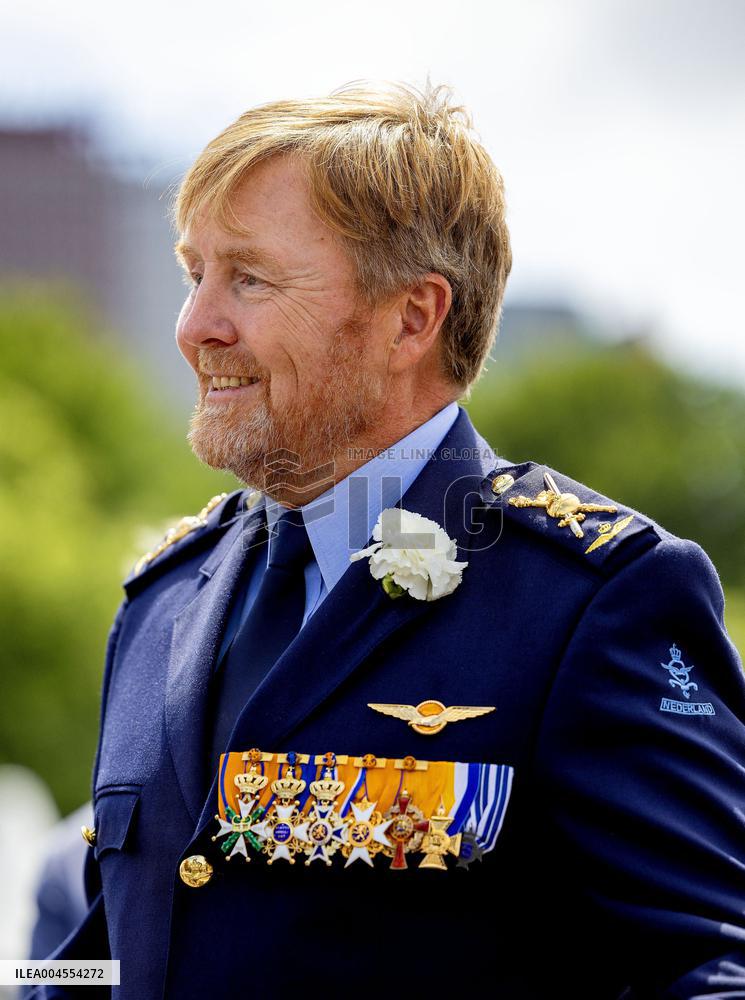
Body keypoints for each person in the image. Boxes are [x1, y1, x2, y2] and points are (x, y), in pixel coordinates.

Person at [36, 82, 745, 999]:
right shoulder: (160, 600)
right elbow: (101, 952)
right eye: (192, 274)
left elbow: (705, 968)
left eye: (247, 278)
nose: (194, 327)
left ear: (412, 317)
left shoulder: (594, 601)